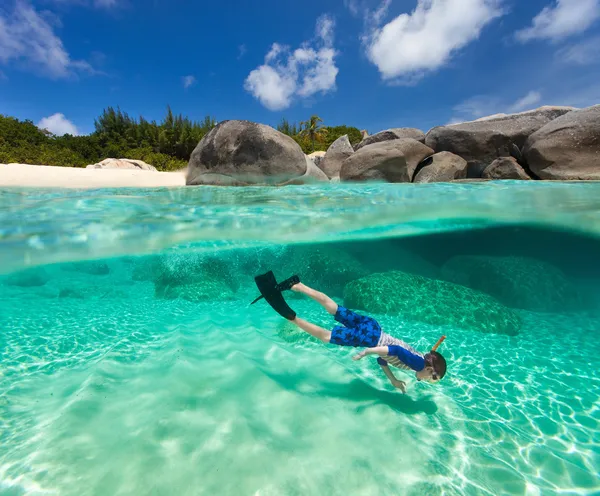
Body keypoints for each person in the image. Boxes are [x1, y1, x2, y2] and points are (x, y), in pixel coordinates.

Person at [289, 282, 447, 392]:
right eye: (430, 378)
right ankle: (292, 318)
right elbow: (396, 350)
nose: (425, 380)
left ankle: (299, 286)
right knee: (327, 337)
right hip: (370, 338)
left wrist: (393, 380)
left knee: (336, 310)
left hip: (373, 327)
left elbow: (384, 357)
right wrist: (368, 351)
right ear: (428, 369)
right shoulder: (418, 364)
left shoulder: (418, 357)